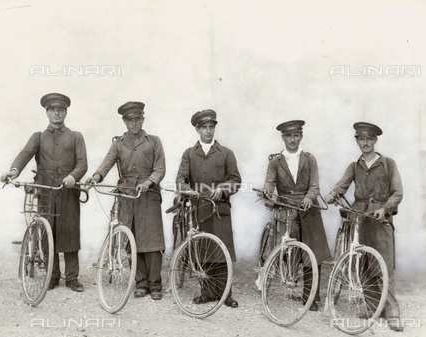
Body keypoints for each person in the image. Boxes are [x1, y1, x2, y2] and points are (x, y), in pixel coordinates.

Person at [0, 93, 88, 292]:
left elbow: (82, 164)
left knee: (70, 232)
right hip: (46, 191)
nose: (57, 113)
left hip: (68, 191)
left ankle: (72, 277)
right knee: (47, 232)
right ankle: (52, 275)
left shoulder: (76, 136)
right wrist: (13, 170)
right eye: (53, 109)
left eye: (61, 110)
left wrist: (73, 177)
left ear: (66, 112)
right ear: (47, 113)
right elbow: (24, 155)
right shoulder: (38, 137)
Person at [324, 121, 404, 331]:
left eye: (369, 139)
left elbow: (397, 192)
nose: (365, 143)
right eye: (361, 139)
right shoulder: (354, 166)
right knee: (364, 262)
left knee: (383, 263)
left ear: (375, 140)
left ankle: (392, 311)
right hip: (358, 217)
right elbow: (342, 185)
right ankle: (372, 306)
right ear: (357, 141)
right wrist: (333, 194)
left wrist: (385, 208)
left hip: (380, 218)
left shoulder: (388, 164)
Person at [87, 101, 166, 301]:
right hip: (127, 197)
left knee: (153, 241)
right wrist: (96, 177)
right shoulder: (118, 144)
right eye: (130, 120)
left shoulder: (154, 141)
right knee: (133, 239)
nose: (134, 123)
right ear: (124, 121)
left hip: (148, 196)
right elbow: (107, 162)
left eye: (137, 119)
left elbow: (160, 169)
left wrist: (149, 183)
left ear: (143, 119)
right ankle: (140, 283)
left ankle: (155, 284)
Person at [257, 120, 331, 311]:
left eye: (296, 135)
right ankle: (283, 277)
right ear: (283, 138)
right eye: (288, 136)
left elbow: (315, 185)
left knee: (312, 252)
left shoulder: (309, 159)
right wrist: (266, 191)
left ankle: (311, 297)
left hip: (308, 210)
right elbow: (269, 183)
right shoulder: (275, 161)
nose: (292, 139)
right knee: (287, 249)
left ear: (301, 137)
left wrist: (309, 197)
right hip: (286, 208)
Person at [175, 109, 242, 308]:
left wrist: (222, 190)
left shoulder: (226, 153)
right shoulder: (189, 154)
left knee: (222, 252)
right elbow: (181, 179)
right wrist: (187, 190)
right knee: (203, 251)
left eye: (211, 127)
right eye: (204, 127)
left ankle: (225, 294)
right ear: (197, 129)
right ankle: (206, 293)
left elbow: (236, 181)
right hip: (199, 209)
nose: (208, 131)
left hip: (219, 210)